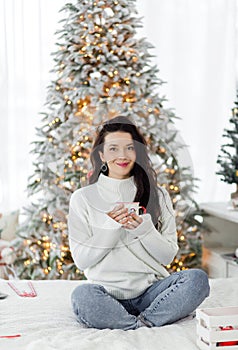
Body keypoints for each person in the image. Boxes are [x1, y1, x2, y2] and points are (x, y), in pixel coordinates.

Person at [68, 115, 210, 330]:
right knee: (82, 295)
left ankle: (142, 323)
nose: (122, 155)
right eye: (113, 148)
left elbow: (168, 256)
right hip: (106, 293)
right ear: (101, 154)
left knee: (197, 279)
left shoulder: (159, 195)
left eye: (129, 148)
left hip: (152, 293)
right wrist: (112, 227)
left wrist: (144, 229)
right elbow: (81, 260)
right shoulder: (83, 198)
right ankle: (136, 324)